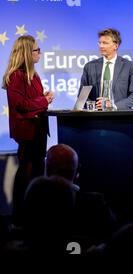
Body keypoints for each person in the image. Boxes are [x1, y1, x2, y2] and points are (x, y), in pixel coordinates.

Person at [2, 35, 54, 225]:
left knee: (37, 171)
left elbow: (33, 101)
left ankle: (35, 215)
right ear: (26, 53)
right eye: (36, 50)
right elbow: (21, 104)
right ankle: (20, 217)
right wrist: (44, 100)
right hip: (27, 131)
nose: (39, 53)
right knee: (27, 171)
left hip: (38, 128)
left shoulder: (33, 75)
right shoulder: (16, 76)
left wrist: (43, 97)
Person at [80, 28, 133, 110]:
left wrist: (113, 105)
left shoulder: (128, 66)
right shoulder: (89, 66)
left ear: (116, 45)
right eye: (100, 43)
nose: (101, 46)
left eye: (105, 43)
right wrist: (95, 106)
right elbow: (82, 96)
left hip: (120, 117)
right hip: (96, 117)